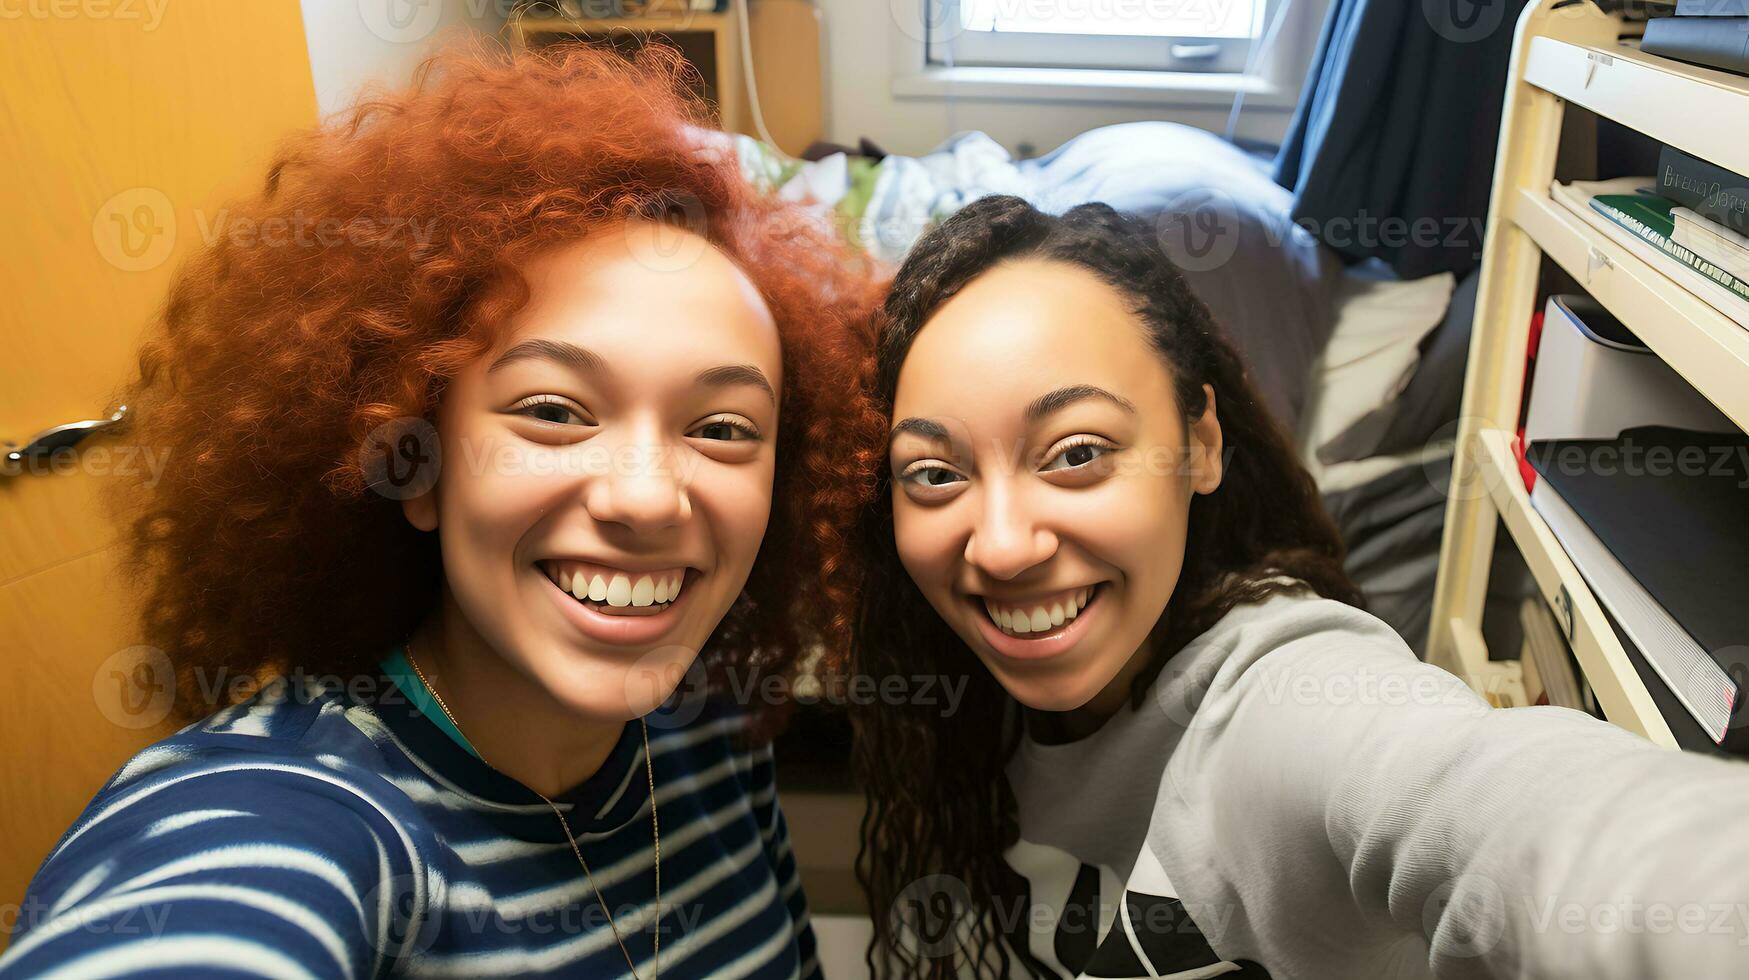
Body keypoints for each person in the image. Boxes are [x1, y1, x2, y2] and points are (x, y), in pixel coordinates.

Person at [1, 42, 877, 979]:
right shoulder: (301, 817)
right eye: (552, 412)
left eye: (722, 428)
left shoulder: (711, 733)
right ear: (414, 464)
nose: (647, 497)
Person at [844, 194, 1749, 978]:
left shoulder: (1285, 701)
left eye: (1077, 453)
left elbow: (1496, 807)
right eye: (934, 473)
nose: (1001, 547)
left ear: (1198, 444)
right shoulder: (964, 686)